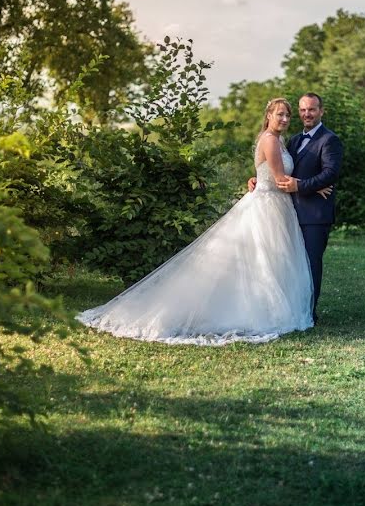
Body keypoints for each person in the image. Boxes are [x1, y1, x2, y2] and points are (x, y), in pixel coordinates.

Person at [76, 98, 329, 345]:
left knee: (271, 260)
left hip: (276, 205)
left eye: (287, 115)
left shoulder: (281, 140)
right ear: (268, 117)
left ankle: (274, 306)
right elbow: (279, 179)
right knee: (261, 258)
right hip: (267, 205)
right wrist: (312, 188)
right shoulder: (270, 140)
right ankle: (259, 310)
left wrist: (257, 179)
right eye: (280, 114)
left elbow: (267, 175)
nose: (285, 119)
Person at [248, 93, 343, 324]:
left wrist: (302, 186)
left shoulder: (329, 140)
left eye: (311, 109)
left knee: (310, 264)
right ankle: (289, 309)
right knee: (289, 262)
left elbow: (330, 173)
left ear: (321, 111)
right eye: (302, 110)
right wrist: (257, 179)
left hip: (314, 215)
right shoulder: (292, 140)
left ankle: (308, 313)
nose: (306, 114)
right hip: (287, 212)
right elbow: (280, 171)